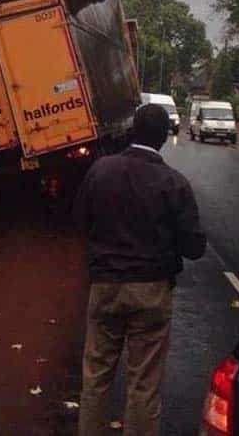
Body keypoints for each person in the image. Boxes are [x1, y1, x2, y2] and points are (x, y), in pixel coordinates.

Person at [74, 103, 206, 436]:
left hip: (104, 287)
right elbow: (194, 247)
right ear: (164, 138)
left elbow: (80, 221)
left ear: (133, 130)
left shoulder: (100, 170)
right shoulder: (173, 184)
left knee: (96, 378)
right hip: (151, 291)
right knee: (144, 385)